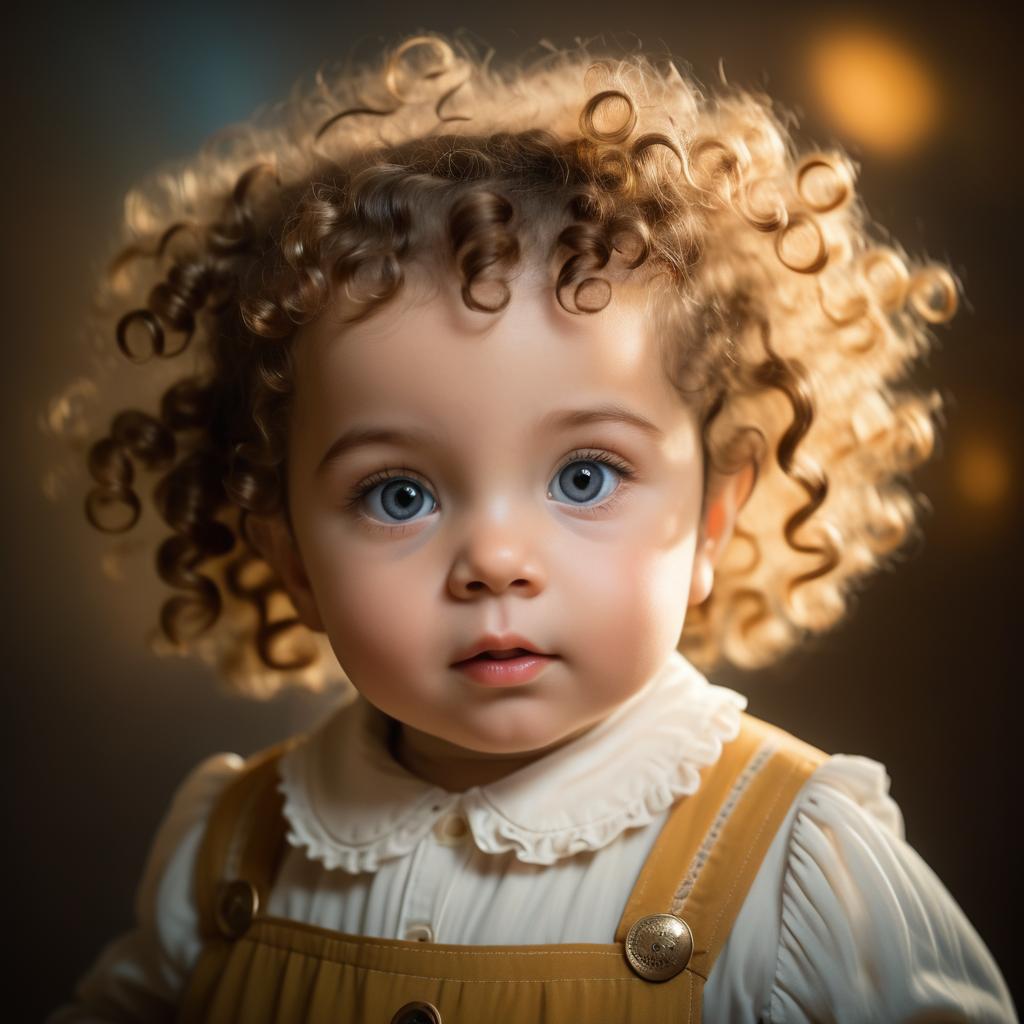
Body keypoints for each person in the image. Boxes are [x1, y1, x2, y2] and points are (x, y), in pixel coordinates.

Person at [46, 33, 1016, 1023]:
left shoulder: (797, 866)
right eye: (398, 495)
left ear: (711, 520)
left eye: (585, 475)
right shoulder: (228, 849)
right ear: (289, 553)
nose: (497, 563)